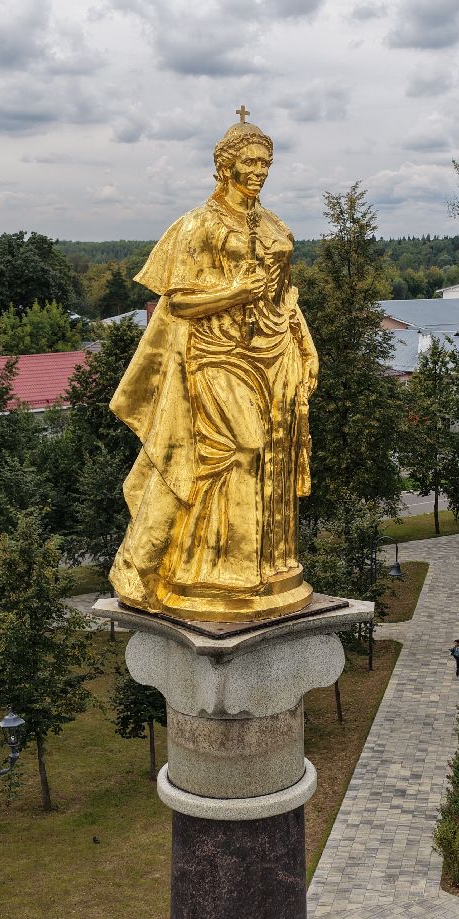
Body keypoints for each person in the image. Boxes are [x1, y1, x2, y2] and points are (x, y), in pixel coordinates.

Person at [108, 113, 319, 623]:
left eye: (266, 162)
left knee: (272, 458)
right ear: (226, 165)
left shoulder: (275, 225)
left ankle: (263, 570)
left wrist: (306, 345)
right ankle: (197, 569)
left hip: (274, 352)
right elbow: (178, 300)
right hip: (216, 354)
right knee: (241, 449)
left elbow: (286, 296)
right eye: (251, 161)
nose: (260, 170)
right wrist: (234, 292)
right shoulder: (198, 224)